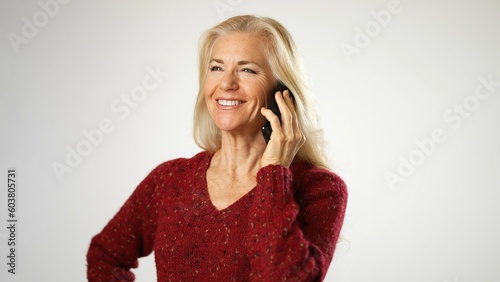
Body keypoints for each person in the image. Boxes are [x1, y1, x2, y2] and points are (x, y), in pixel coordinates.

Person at [87, 15, 347, 281]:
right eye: (216, 68)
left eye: (247, 70)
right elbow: (104, 257)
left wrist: (274, 174)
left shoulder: (320, 190)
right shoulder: (170, 180)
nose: (226, 84)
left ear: (282, 93)